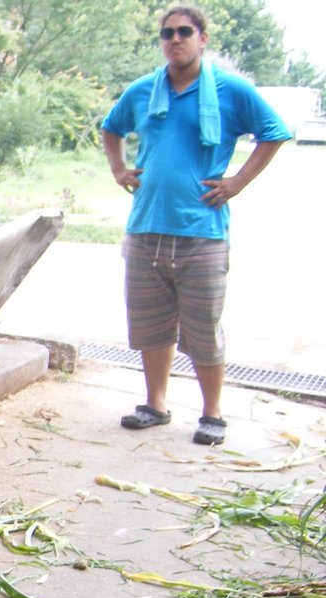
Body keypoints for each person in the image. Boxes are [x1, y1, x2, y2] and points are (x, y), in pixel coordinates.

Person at [101, 4, 290, 446]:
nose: (176, 39)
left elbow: (274, 131)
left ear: (203, 39)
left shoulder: (230, 90)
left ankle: (212, 414)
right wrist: (119, 170)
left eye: (185, 31)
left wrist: (238, 181)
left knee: (204, 327)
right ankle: (155, 405)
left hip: (202, 232)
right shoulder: (146, 89)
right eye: (167, 33)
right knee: (151, 324)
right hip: (146, 227)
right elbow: (112, 128)